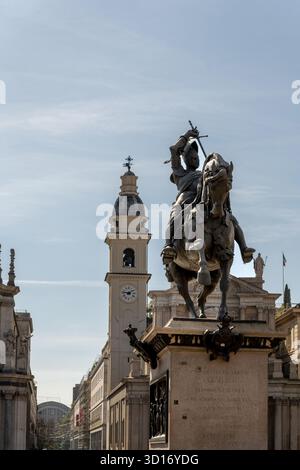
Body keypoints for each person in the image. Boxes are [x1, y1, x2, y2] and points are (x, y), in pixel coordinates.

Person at [161, 128, 255, 264]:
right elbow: (173, 150)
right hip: (186, 201)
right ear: (185, 159)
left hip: (205, 200)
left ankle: (243, 249)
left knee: (231, 219)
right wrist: (186, 136)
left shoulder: (203, 174)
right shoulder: (179, 172)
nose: (195, 159)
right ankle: (169, 246)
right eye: (192, 157)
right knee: (175, 215)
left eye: (197, 157)